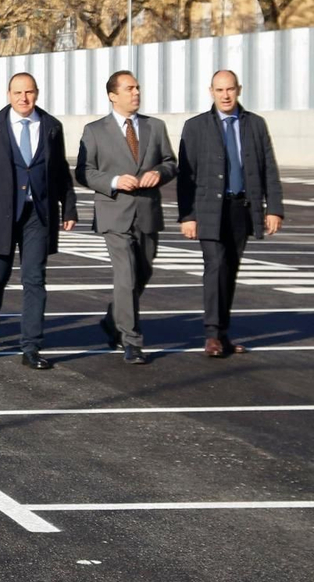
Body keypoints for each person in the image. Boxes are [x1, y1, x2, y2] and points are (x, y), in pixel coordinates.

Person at [0, 72, 79, 369]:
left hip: (38, 214)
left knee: (34, 279)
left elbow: (61, 170)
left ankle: (31, 348)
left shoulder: (51, 126)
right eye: (18, 93)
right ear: (8, 94)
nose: (23, 98)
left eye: (29, 92)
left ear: (36, 93)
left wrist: (70, 207)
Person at [177, 69, 285, 357]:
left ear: (239, 90)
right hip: (209, 209)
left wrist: (273, 208)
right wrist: (187, 216)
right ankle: (212, 334)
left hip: (242, 208)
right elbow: (186, 176)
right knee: (215, 267)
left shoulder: (255, 125)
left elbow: (268, 169)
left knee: (230, 270)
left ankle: (222, 333)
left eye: (230, 89)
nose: (225, 95)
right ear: (210, 91)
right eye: (219, 90)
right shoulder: (195, 126)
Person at [76, 70, 176, 365]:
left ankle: (112, 319)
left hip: (147, 213)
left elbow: (171, 162)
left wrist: (160, 173)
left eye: (137, 87)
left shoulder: (155, 127)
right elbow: (84, 171)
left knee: (143, 273)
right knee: (126, 274)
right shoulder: (94, 130)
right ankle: (130, 339)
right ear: (112, 95)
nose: (136, 93)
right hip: (114, 213)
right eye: (129, 88)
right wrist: (115, 181)